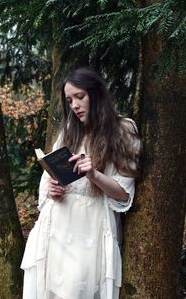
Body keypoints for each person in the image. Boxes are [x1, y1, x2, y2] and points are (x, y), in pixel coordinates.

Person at [21, 67, 142, 299]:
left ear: (95, 94)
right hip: (55, 225)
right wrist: (52, 189)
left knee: (78, 289)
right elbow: (48, 180)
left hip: (90, 229)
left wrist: (94, 174)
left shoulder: (123, 129)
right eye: (69, 100)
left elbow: (124, 194)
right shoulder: (68, 131)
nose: (74, 105)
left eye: (80, 96)